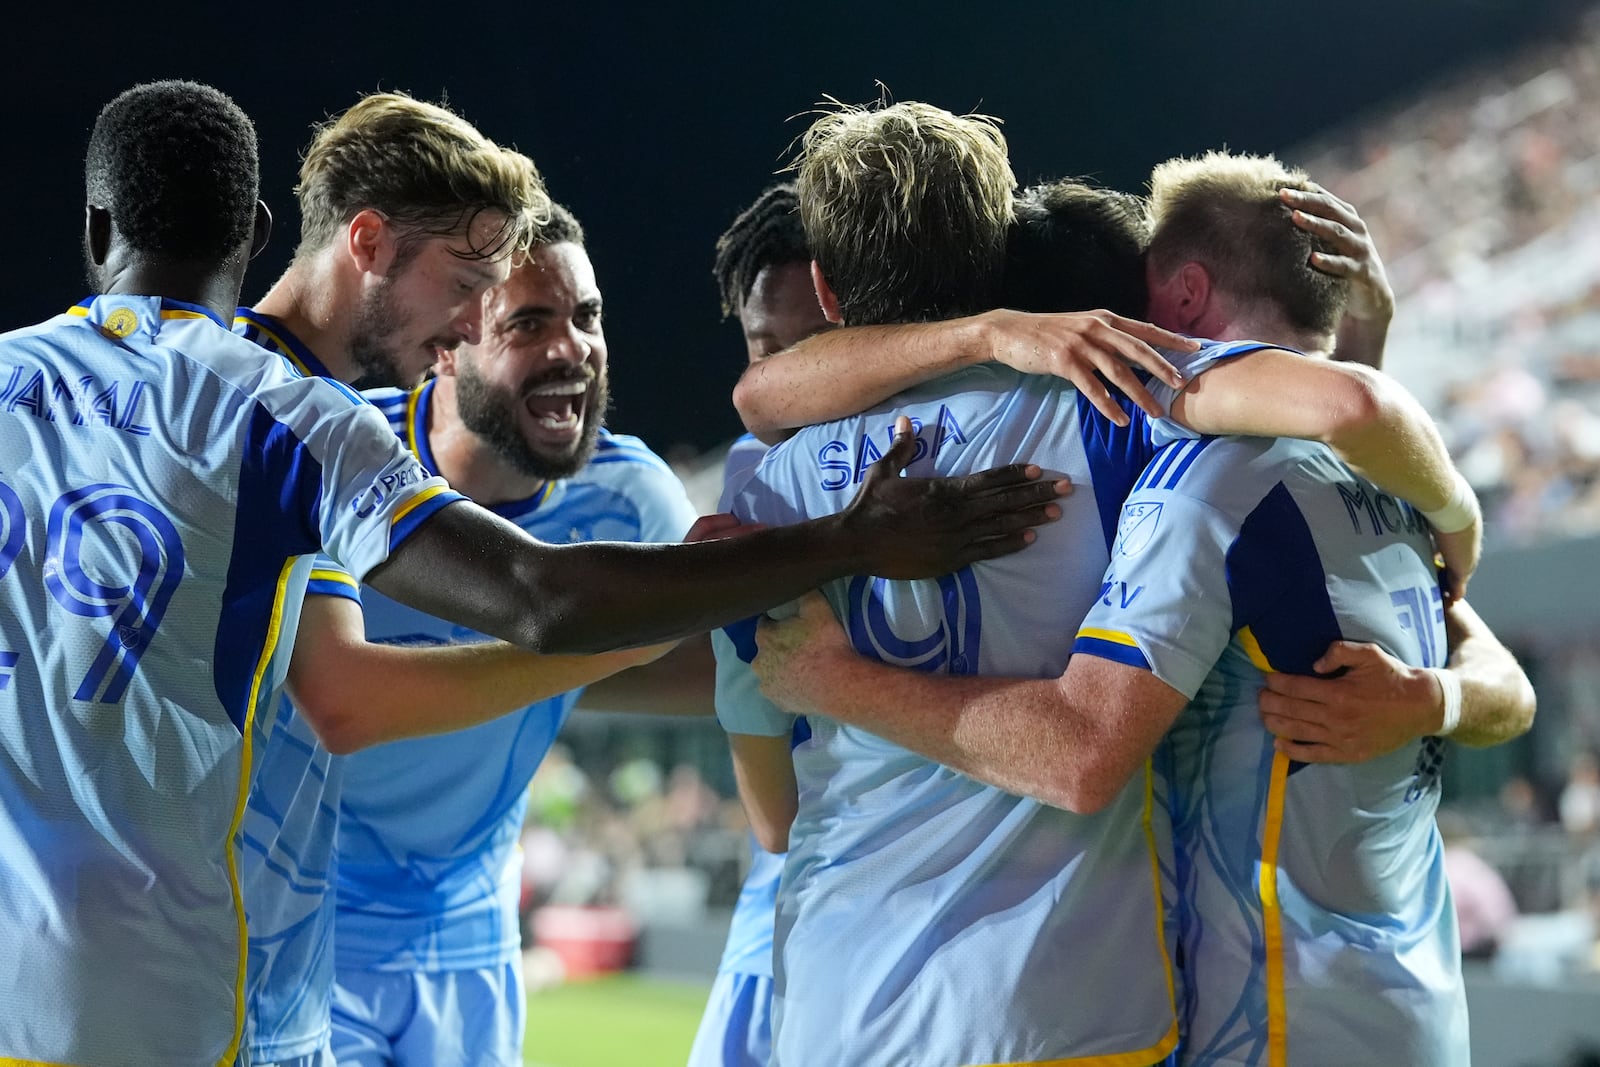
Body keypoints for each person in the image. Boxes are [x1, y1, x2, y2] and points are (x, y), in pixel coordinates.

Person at [0, 82, 1064, 1067]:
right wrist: (847, 540)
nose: (470, 324)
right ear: (289, 237)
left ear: (99, 229)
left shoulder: (23, 379)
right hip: (197, 982)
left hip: (97, 965)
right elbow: (504, 619)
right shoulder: (289, 419)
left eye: (574, 315)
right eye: (476, 293)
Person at [750, 150, 1538, 1066]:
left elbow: (1083, 749)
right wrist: (1433, 690)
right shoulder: (1392, 492)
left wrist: (833, 679)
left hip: (1277, 1021)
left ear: (1186, 296)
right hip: (1417, 1008)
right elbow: (1505, 684)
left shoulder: (1208, 479)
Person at [324, 203, 699, 1066]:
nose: (572, 348)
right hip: (308, 926)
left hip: (473, 939)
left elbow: (713, 671)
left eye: (587, 316)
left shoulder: (632, 501)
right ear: (449, 343)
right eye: (529, 322)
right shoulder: (344, 452)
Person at [685, 182, 832, 1067]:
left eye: (807, 353)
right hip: (792, 914)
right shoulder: (752, 489)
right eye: (758, 349)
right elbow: (775, 823)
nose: (772, 383)